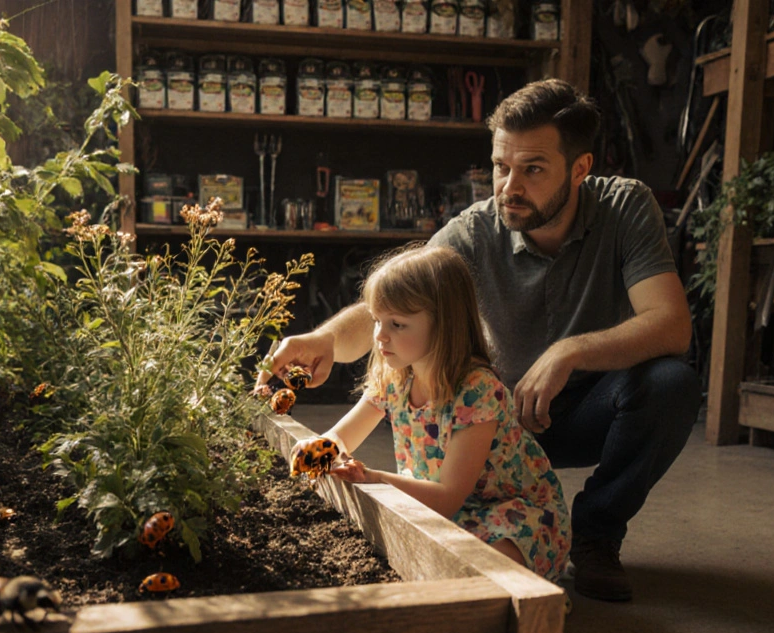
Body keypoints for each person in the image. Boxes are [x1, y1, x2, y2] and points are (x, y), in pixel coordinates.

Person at [259, 78, 700, 602]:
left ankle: (596, 536)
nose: (509, 186)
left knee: (672, 383)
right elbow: (404, 301)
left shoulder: (625, 207)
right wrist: (324, 339)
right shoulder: (474, 230)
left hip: (586, 412)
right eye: (500, 166)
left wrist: (568, 352)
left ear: (580, 169)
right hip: (491, 423)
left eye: (533, 169)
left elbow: (671, 324)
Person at [298, 245, 571, 582]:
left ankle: (532, 600)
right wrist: (318, 449)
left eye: (397, 324)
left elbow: (447, 497)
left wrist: (375, 479)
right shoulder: (394, 376)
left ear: (444, 325)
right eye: (376, 321)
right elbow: (341, 438)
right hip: (442, 512)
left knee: (477, 573)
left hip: (511, 515)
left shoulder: (477, 390)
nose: (380, 336)